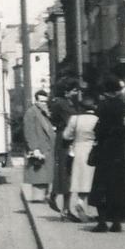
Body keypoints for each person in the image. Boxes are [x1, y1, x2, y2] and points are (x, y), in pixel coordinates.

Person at [87, 87, 125, 232]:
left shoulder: (103, 118)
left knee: (101, 189)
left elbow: (96, 133)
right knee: (118, 190)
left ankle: (102, 222)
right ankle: (116, 222)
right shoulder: (123, 119)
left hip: (104, 156)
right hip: (120, 157)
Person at [62, 94, 99, 222]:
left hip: (78, 150)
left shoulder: (74, 119)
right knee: (91, 180)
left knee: (80, 179)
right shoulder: (97, 118)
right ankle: (86, 206)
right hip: (92, 150)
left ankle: (79, 201)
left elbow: (66, 136)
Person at [47, 83, 77, 212]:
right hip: (66, 138)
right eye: (74, 90)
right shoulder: (63, 104)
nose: (76, 93)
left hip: (63, 137)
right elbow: (71, 121)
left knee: (64, 171)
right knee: (66, 172)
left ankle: (54, 196)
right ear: (66, 91)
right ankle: (66, 209)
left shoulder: (61, 102)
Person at [22, 90, 55, 203]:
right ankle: (38, 199)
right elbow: (29, 132)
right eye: (41, 101)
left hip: (47, 149)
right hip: (39, 149)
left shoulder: (45, 113)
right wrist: (34, 148)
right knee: (39, 176)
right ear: (35, 101)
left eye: (45, 102)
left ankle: (43, 198)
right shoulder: (31, 113)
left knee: (45, 177)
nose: (43, 104)